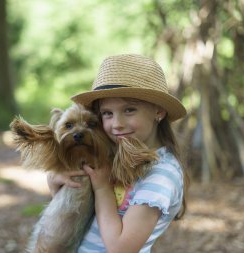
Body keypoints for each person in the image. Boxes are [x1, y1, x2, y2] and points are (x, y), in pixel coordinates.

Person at [47, 54, 189, 253]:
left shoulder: (162, 174)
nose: (117, 124)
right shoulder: (114, 156)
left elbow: (119, 249)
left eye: (129, 110)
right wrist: (56, 181)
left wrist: (103, 188)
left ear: (159, 111)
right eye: (107, 113)